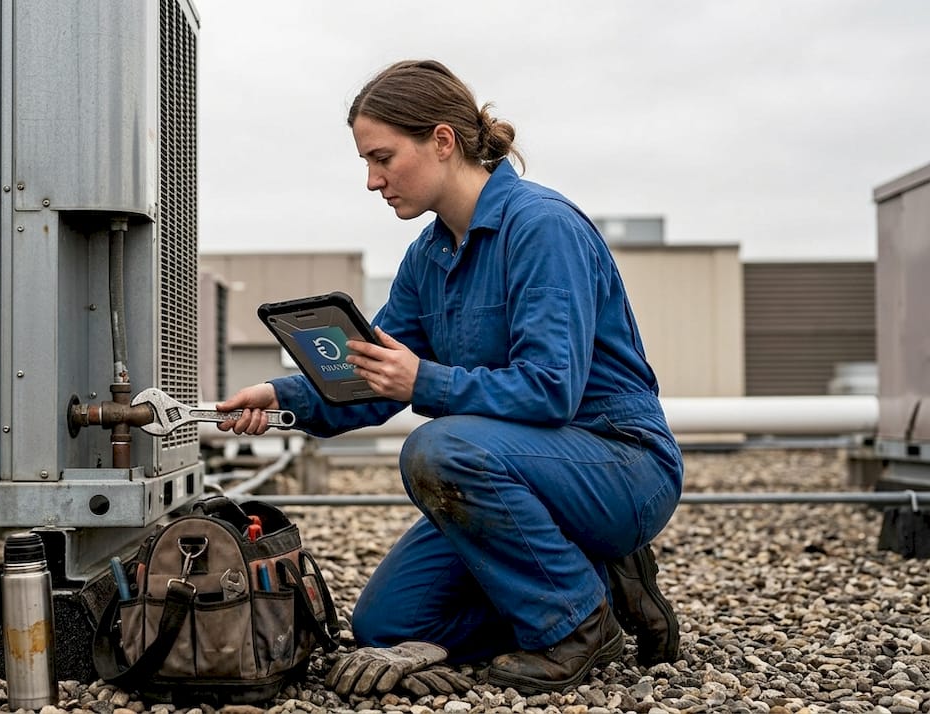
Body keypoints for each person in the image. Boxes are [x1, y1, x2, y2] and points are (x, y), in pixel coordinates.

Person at [216, 59, 684, 697]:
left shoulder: (541, 227)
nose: (373, 180)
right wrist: (279, 397)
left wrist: (424, 383)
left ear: (442, 141)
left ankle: (579, 626)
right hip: (520, 470)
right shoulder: (429, 254)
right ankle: (597, 579)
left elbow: (550, 389)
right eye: (365, 163)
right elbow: (374, 377)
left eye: (382, 158)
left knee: (438, 447)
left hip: (619, 463)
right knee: (389, 623)